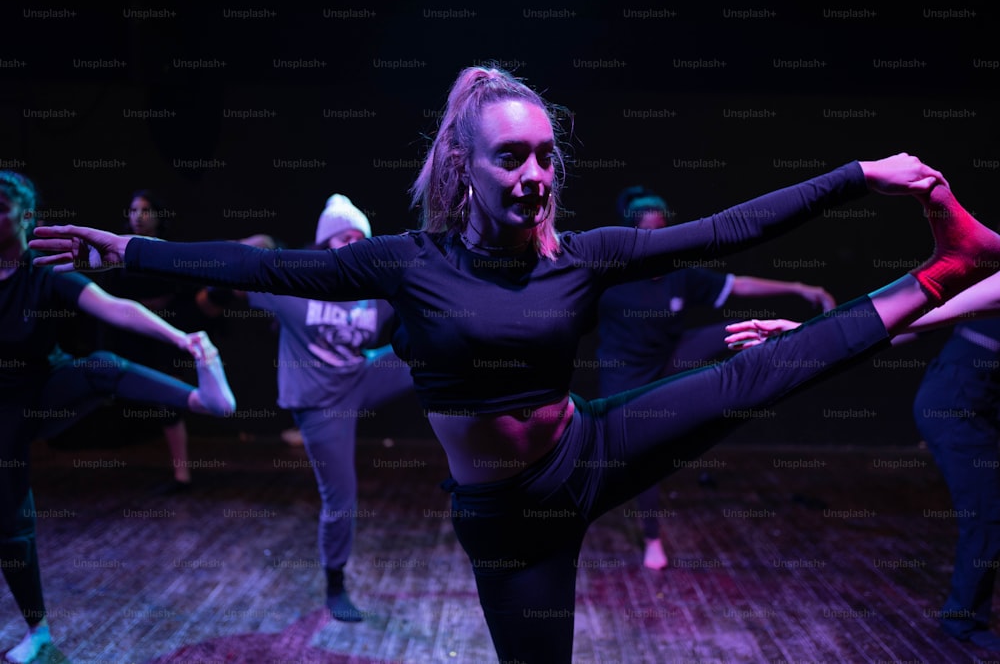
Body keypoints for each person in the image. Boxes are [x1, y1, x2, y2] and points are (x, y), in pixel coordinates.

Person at [29, 66, 1000, 664]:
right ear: (466, 166)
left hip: (591, 443)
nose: (533, 174)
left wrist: (863, 175)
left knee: (764, 370)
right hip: (508, 517)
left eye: (542, 156)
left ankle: (949, 264)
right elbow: (262, 264)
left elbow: (728, 224)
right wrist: (130, 249)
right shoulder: (408, 262)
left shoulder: (584, 255)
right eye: (510, 159)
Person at [0, 171, 236, 663]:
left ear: (26, 217)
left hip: (43, 392)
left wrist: (180, 340)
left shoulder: (45, 273)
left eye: (1, 206)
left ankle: (204, 400)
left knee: (103, 367)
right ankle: (38, 629)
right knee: (9, 519)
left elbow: (114, 308)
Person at [725, 276, 1000, 652]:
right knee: (987, 514)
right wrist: (807, 335)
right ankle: (963, 623)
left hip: (983, 406)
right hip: (958, 406)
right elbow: (907, 315)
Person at [198, 194, 413, 622]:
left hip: (361, 377)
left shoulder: (376, 291)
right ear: (324, 245)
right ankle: (336, 584)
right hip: (319, 402)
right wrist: (248, 249)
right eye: (344, 237)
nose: (353, 245)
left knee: (432, 351)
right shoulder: (289, 287)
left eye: (360, 238)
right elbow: (214, 294)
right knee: (341, 498)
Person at [599, 184, 837, 569]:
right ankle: (653, 540)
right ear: (633, 237)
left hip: (669, 357)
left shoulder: (679, 274)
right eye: (650, 235)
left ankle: (805, 346)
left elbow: (737, 284)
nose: (659, 243)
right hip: (625, 376)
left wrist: (799, 287)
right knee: (641, 458)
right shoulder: (612, 279)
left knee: (738, 330)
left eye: (665, 233)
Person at [93, 189, 210, 492]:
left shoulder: (167, 253)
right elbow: (110, 297)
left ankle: (182, 474)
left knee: (169, 402)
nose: (138, 217)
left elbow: (181, 293)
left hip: (161, 339)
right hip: (127, 337)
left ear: (158, 217)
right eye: (133, 210)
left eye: (145, 210)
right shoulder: (115, 252)